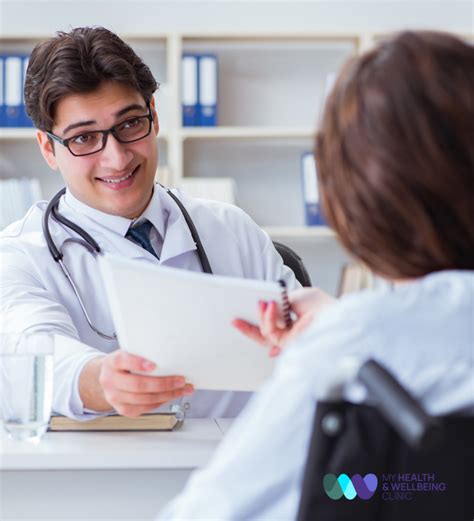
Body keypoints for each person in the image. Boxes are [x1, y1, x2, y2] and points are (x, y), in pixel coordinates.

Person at [158, 30, 474, 519]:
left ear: (358, 194)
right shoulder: (361, 334)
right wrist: (340, 319)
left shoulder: (356, 343)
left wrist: (343, 334)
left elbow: (211, 511)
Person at [0, 26, 298, 421]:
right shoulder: (21, 254)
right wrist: (99, 380)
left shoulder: (232, 229)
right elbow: (31, 352)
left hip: (241, 454)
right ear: (48, 149)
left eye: (129, 124)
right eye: (84, 138)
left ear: (154, 117)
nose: (117, 158)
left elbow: (307, 348)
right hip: (117, 462)